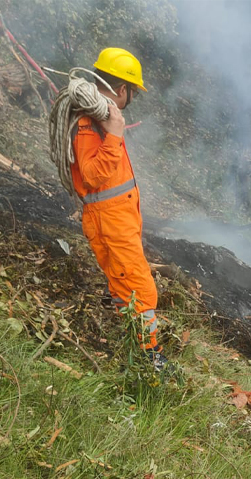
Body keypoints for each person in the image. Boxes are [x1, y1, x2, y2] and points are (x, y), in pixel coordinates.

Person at [66, 48, 164, 369]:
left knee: (125, 286)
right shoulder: (90, 122)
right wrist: (113, 135)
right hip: (110, 223)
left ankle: (135, 347)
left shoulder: (103, 117)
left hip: (118, 220)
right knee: (141, 290)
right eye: (133, 91)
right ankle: (149, 360)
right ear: (122, 89)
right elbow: (92, 175)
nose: (132, 97)